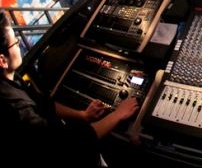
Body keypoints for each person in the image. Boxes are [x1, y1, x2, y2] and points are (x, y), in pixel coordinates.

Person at [0, 12, 140, 167]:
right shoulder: (18, 109)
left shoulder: (11, 79)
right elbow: (73, 144)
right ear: (2, 60)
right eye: (16, 42)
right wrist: (117, 115)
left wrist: (82, 115)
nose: (18, 44)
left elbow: (45, 104)